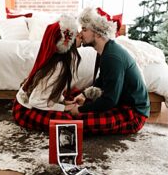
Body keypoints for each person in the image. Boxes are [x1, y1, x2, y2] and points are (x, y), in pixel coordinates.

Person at [63, 7, 151, 135]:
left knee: (75, 121)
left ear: (98, 33)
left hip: (134, 114)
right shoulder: (107, 50)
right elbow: (103, 79)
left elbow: (110, 100)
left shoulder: (112, 57)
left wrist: (80, 110)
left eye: (84, 29)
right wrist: (84, 95)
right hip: (122, 103)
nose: (80, 34)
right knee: (74, 104)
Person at [12, 14, 84, 130]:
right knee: (69, 122)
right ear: (68, 42)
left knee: (71, 116)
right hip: (25, 110)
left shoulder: (62, 61)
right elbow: (35, 101)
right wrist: (64, 108)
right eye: (77, 34)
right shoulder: (58, 66)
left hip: (33, 103)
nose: (81, 35)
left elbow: (52, 89)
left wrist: (64, 102)